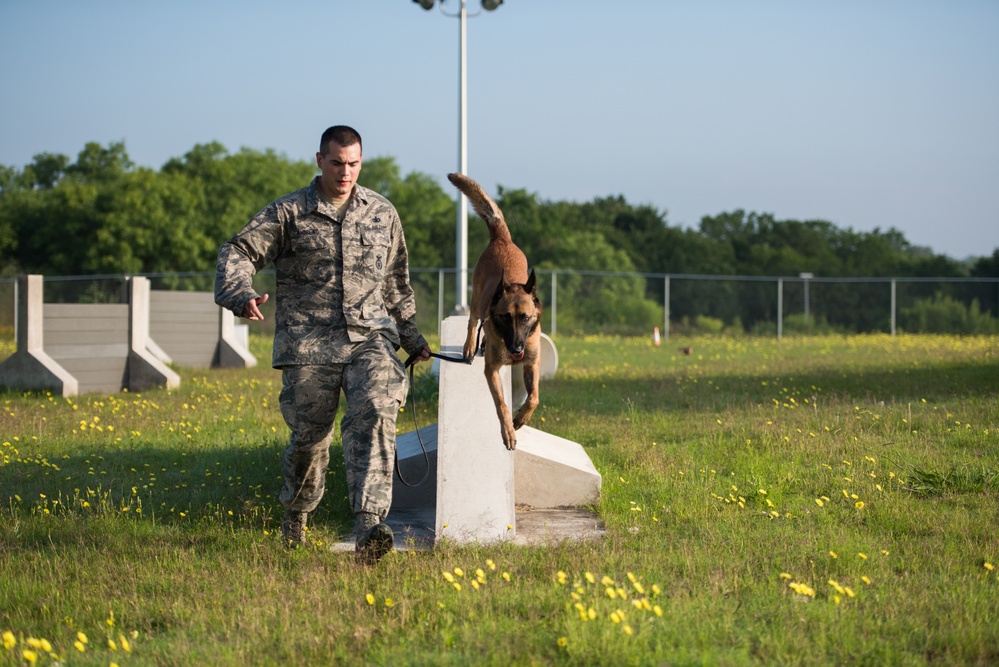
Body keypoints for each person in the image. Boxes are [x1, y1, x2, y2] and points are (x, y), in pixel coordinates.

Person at [215, 125, 431, 564]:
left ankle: (369, 525)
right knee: (310, 441)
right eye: (336, 163)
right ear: (319, 160)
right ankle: (296, 513)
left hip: (369, 338)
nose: (345, 172)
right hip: (308, 345)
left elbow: (396, 283)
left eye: (353, 164)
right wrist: (240, 295)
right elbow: (238, 251)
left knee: (375, 409)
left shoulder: (382, 213)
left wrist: (411, 334)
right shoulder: (288, 213)